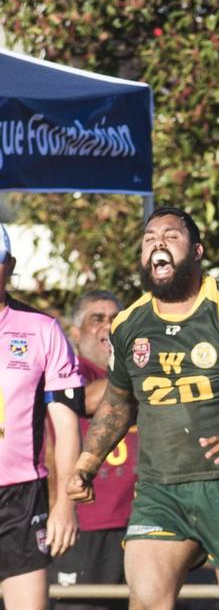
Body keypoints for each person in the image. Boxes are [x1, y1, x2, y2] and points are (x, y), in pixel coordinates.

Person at [66, 207, 219, 610]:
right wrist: (86, 463)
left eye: (171, 236)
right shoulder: (129, 324)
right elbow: (118, 402)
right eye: (149, 237)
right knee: (145, 602)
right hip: (161, 490)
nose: (157, 242)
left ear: (197, 251)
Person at [0, 223, 84, 610]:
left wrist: (65, 504)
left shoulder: (41, 329)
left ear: (9, 265)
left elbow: (67, 427)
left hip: (21, 497)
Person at [50, 290, 135, 610]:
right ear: (75, 332)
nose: (108, 326)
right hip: (88, 521)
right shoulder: (71, 369)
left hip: (142, 519)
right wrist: (134, 371)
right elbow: (86, 400)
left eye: (116, 319)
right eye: (96, 319)